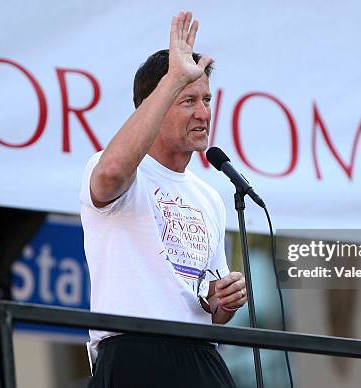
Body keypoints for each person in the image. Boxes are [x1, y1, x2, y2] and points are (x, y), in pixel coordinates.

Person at [80, 11, 247, 388]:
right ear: (151, 106)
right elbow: (110, 175)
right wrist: (173, 77)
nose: (203, 113)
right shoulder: (116, 169)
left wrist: (222, 300)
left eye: (206, 99)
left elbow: (208, 304)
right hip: (135, 349)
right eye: (187, 100)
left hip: (201, 355)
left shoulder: (209, 195)